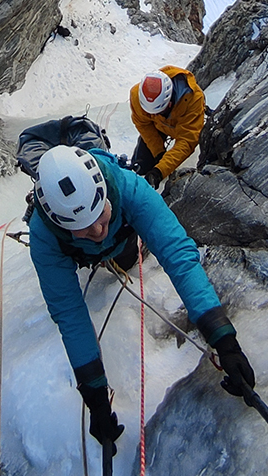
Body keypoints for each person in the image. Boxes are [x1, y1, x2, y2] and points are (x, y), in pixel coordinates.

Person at [28, 143, 255, 449]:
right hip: (80, 249)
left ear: (106, 194)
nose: (97, 230)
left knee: (125, 259)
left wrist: (224, 341)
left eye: (101, 216)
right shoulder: (43, 237)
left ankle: (116, 249)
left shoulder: (129, 188)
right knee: (108, 249)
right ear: (59, 225)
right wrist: (95, 399)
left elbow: (178, 256)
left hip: (122, 239)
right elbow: (69, 313)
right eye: (83, 227)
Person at [129, 65, 206, 188]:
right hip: (157, 126)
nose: (154, 115)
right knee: (142, 164)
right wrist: (159, 153)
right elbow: (144, 124)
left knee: (167, 163)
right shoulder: (136, 95)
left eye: (159, 112)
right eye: (151, 113)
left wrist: (159, 171)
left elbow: (186, 140)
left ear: (169, 103)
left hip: (180, 125)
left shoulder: (193, 100)